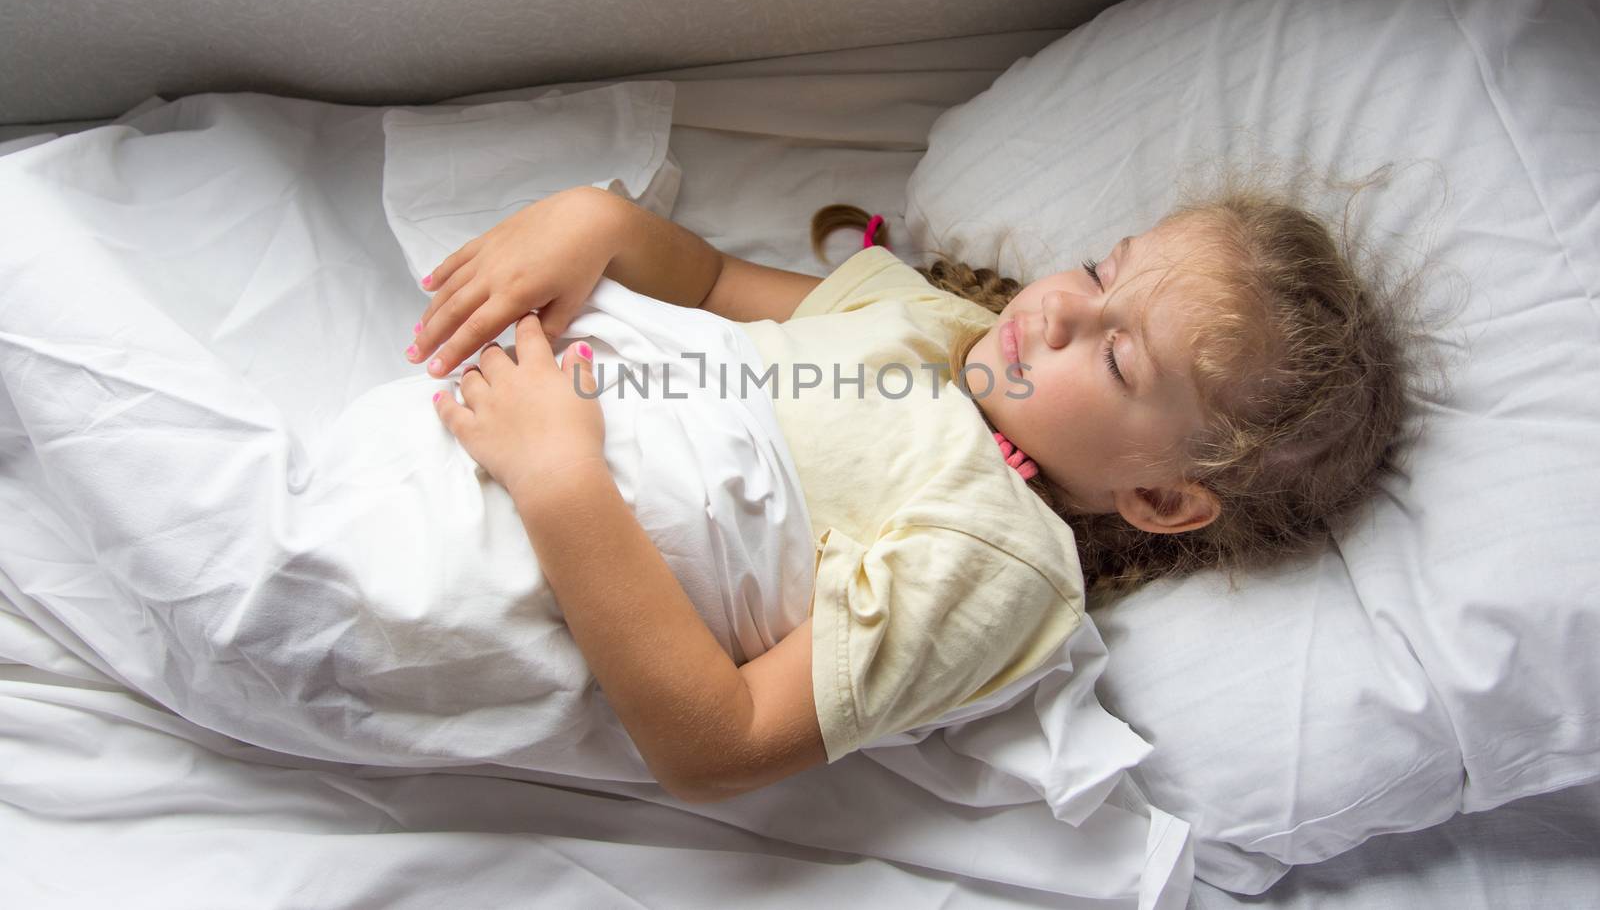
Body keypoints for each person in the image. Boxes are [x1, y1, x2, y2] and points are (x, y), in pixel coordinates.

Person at [404, 180, 1412, 805]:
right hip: (454, 424)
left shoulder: (998, 558)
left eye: (1117, 357)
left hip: (494, 549)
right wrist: (597, 222)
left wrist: (560, 475)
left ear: (1156, 497)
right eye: (1104, 267)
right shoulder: (922, 320)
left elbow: (720, 744)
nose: (1062, 309)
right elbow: (706, 282)